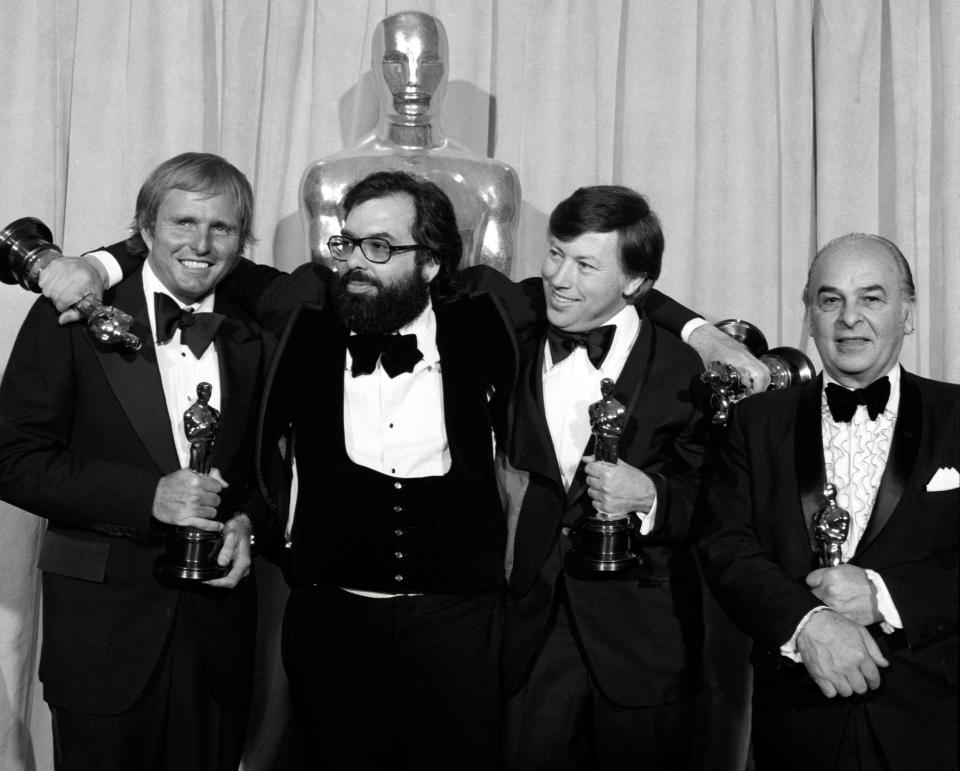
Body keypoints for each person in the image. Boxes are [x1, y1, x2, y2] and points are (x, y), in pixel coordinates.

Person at [0, 153, 270, 770]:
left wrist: (246, 521)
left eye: (222, 228)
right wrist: (146, 497)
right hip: (103, 641)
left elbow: (267, 467)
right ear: (145, 230)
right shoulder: (69, 311)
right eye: (183, 223)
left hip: (218, 640)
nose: (201, 244)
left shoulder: (256, 326)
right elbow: (12, 457)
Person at [698, 233, 958, 770]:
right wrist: (807, 623)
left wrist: (885, 595)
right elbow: (725, 546)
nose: (849, 318)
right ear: (810, 314)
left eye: (872, 298)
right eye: (830, 299)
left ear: (907, 313)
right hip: (798, 719)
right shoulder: (755, 422)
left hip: (935, 721)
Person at [486, 186, 710, 770]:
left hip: (643, 645)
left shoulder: (687, 372)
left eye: (586, 265)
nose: (559, 277)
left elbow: (720, 507)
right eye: (556, 253)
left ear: (634, 284)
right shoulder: (510, 335)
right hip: (531, 634)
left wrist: (653, 497)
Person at [300, 11, 522, 274]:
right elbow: (333, 290)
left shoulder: (492, 183)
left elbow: (492, 294)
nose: (413, 80)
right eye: (395, 62)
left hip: (458, 314)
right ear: (375, 68)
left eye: (429, 63)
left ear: (446, 69)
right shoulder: (329, 180)